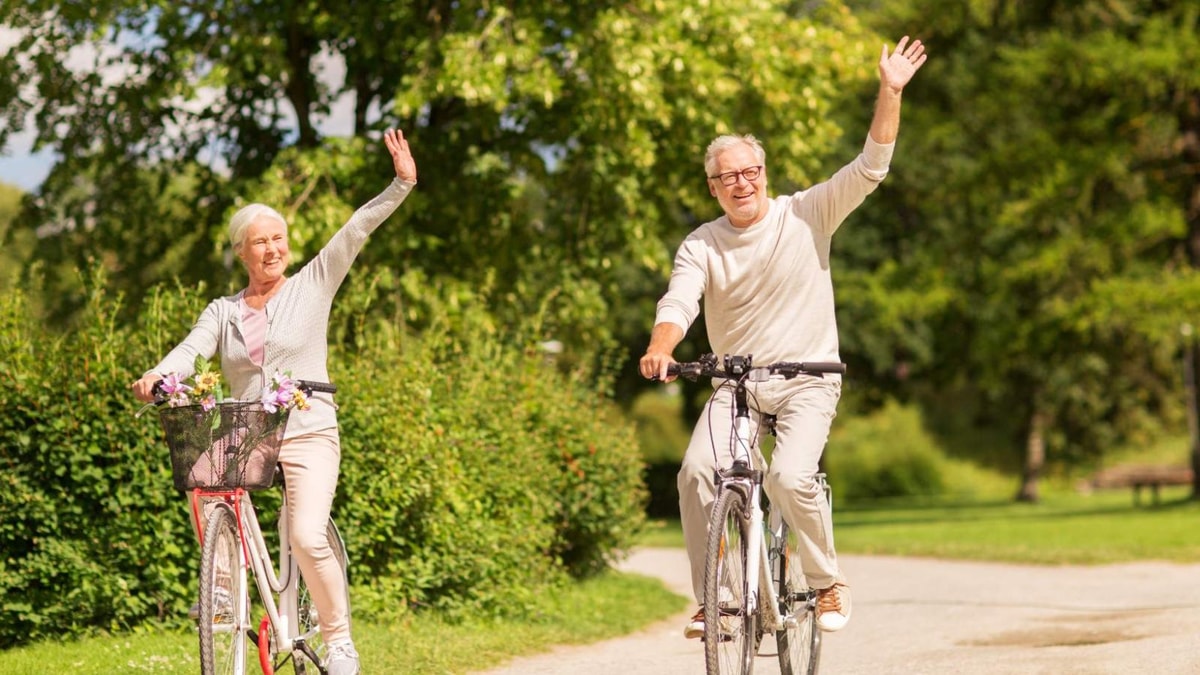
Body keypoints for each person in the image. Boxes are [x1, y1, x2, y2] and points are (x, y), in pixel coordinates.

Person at [639, 37, 927, 638]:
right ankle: (713, 602)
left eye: (750, 172)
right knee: (694, 472)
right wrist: (662, 346)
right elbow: (680, 300)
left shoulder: (808, 213)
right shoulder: (701, 243)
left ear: (764, 174)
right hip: (736, 385)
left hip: (808, 380)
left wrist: (890, 90)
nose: (741, 183)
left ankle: (826, 582)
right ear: (713, 187)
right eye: (727, 177)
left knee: (789, 477)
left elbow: (871, 165)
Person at [132, 128, 418, 675]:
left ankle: (338, 642)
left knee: (307, 536)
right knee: (203, 480)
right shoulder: (224, 310)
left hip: (310, 426)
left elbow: (355, 229)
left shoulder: (314, 283)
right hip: (249, 432)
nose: (272, 248)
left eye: (279, 239)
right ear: (242, 251)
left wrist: (399, 185)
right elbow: (190, 351)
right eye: (260, 241)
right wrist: (157, 375)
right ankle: (222, 585)